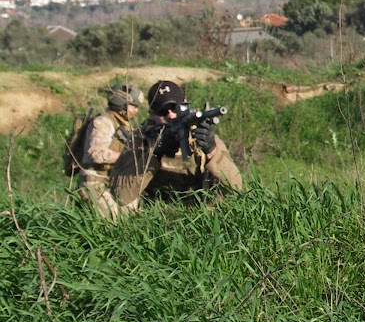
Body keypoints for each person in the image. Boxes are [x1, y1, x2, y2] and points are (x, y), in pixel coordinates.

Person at [110, 80, 243, 212]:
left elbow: (236, 186)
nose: (171, 115)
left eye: (175, 108)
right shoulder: (140, 140)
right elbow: (121, 196)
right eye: (163, 112)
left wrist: (211, 151)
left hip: (199, 217)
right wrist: (156, 154)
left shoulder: (201, 136)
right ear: (152, 113)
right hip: (156, 218)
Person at [75, 83, 144, 221]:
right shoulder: (103, 122)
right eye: (133, 106)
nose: (136, 110)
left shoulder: (123, 125)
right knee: (114, 223)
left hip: (112, 181)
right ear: (122, 104)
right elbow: (96, 153)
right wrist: (127, 157)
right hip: (95, 182)